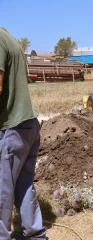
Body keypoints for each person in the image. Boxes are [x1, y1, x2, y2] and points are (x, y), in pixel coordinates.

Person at [0, 27, 47, 239]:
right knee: (23, 184)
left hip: (11, 128)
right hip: (27, 124)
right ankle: (35, 234)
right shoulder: (6, 35)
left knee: (2, 189)